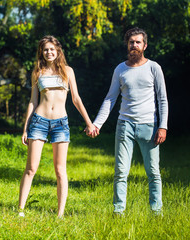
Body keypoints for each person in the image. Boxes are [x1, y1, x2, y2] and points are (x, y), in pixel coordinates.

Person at [87, 27, 168, 215]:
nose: (134, 45)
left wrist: (162, 126)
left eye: (138, 42)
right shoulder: (120, 69)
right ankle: (118, 211)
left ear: (145, 45)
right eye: (131, 42)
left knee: (153, 172)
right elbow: (110, 98)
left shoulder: (154, 68)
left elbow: (162, 99)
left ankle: (157, 212)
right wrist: (97, 123)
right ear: (127, 45)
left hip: (149, 126)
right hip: (125, 125)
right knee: (121, 172)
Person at [19, 35, 97, 218]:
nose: (49, 52)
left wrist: (89, 122)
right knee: (31, 168)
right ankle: (20, 210)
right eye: (45, 49)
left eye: (52, 49)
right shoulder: (37, 72)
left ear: (58, 51)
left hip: (61, 123)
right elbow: (32, 101)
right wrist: (25, 128)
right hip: (39, 121)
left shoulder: (68, 71)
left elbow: (76, 99)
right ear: (42, 52)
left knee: (60, 170)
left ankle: (60, 214)